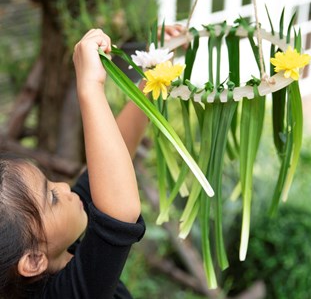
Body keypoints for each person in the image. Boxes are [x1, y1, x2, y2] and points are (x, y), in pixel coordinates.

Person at [0, 25, 184, 299]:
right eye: (51, 197)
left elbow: (117, 151)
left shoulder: (57, 245)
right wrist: (89, 87)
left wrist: (155, 71)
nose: (64, 187)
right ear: (34, 260)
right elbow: (118, 214)